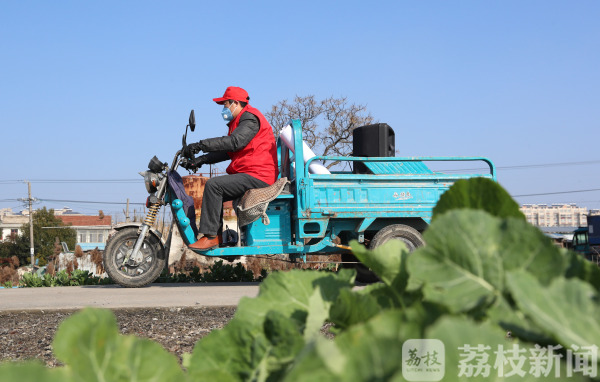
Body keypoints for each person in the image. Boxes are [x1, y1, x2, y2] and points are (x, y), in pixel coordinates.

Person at [182, 86, 278, 250]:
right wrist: (200, 160)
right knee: (223, 195)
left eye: (225, 105)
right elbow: (228, 151)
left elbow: (234, 143)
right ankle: (227, 238)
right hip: (250, 173)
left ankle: (211, 236)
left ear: (235, 103)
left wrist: (200, 145)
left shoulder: (250, 118)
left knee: (214, 185)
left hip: (258, 174)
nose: (224, 109)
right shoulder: (238, 122)